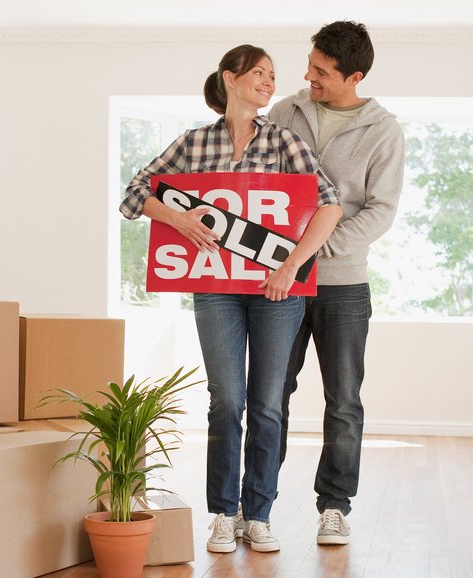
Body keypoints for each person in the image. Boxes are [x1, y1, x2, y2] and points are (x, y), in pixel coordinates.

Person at [119, 44, 342, 554]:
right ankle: (223, 513)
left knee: (267, 406)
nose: (269, 82)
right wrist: (177, 217)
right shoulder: (194, 143)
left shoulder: (284, 141)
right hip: (215, 290)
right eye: (259, 73)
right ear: (231, 78)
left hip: (275, 292)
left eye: (272, 76)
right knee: (227, 402)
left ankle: (257, 515)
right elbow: (135, 193)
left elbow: (329, 207)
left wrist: (290, 266)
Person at [267, 21, 405, 545]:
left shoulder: (383, 130)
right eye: (311, 65)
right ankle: (257, 502)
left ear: (355, 75)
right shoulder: (286, 112)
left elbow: (381, 211)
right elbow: (261, 181)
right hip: (280, 280)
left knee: (343, 399)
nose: (308, 77)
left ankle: (335, 506)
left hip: (343, 284)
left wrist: (311, 250)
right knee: (270, 393)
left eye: (321, 71)